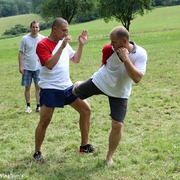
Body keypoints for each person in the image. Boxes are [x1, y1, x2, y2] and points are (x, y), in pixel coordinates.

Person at [73, 26, 148, 165]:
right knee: (74, 92)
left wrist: (125, 59)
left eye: (114, 41)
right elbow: (104, 63)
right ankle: (80, 84)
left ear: (124, 41)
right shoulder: (110, 49)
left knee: (117, 125)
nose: (111, 44)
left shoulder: (140, 54)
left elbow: (137, 79)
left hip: (120, 92)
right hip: (101, 81)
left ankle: (109, 157)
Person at [33, 17, 94, 163]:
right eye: (64, 30)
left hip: (67, 87)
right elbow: (49, 64)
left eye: (67, 30)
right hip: (50, 88)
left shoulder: (64, 43)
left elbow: (76, 59)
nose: (66, 33)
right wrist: (61, 46)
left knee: (86, 110)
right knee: (45, 121)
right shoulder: (42, 44)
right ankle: (37, 152)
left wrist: (81, 45)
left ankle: (84, 146)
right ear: (55, 29)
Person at [18, 21, 44, 113]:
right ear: (30, 28)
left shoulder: (42, 38)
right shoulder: (24, 39)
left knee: (38, 87)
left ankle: (39, 106)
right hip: (27, 67)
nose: (35, 29)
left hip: (38, 67)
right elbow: (21, 52)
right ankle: (28, 106)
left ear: (39, 28)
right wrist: (20, 66)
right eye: (33, 27)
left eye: (36, 27)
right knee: (27, 87)